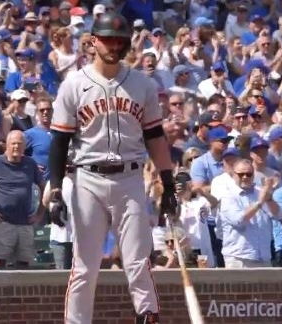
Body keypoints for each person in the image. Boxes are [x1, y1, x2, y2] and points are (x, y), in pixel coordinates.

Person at [48, 13, 175, 324]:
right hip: (87, 179)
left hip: (131, 177)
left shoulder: (142, 84)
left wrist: (169, 184)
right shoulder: (74, 84)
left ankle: (147, 317)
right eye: (107, 39)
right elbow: (59, 140)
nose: (114, 45)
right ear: (93, 41)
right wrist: (53, 188)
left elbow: (155, 136)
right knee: (85, 266)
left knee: (138, 261)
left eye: (120, 40)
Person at [0, 130, 45, 268]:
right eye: (13, 143)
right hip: (3, 223)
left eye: (19, 144)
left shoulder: (30, 163)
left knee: (24, 264)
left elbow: (44, 187)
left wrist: (40, 213)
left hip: (25, 222)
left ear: (24, 146)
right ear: (7, 145)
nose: (16, 146)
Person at [219, 159, 280, 268]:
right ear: (233, 175)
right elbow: (239, 221)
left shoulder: (261, 192)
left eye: (249, 174)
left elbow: (279, 215)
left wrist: (269, 199)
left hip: (264, 257)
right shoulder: (228, 196)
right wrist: (259, 203)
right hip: (239, 258)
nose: (245, 177)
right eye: (241, 174)